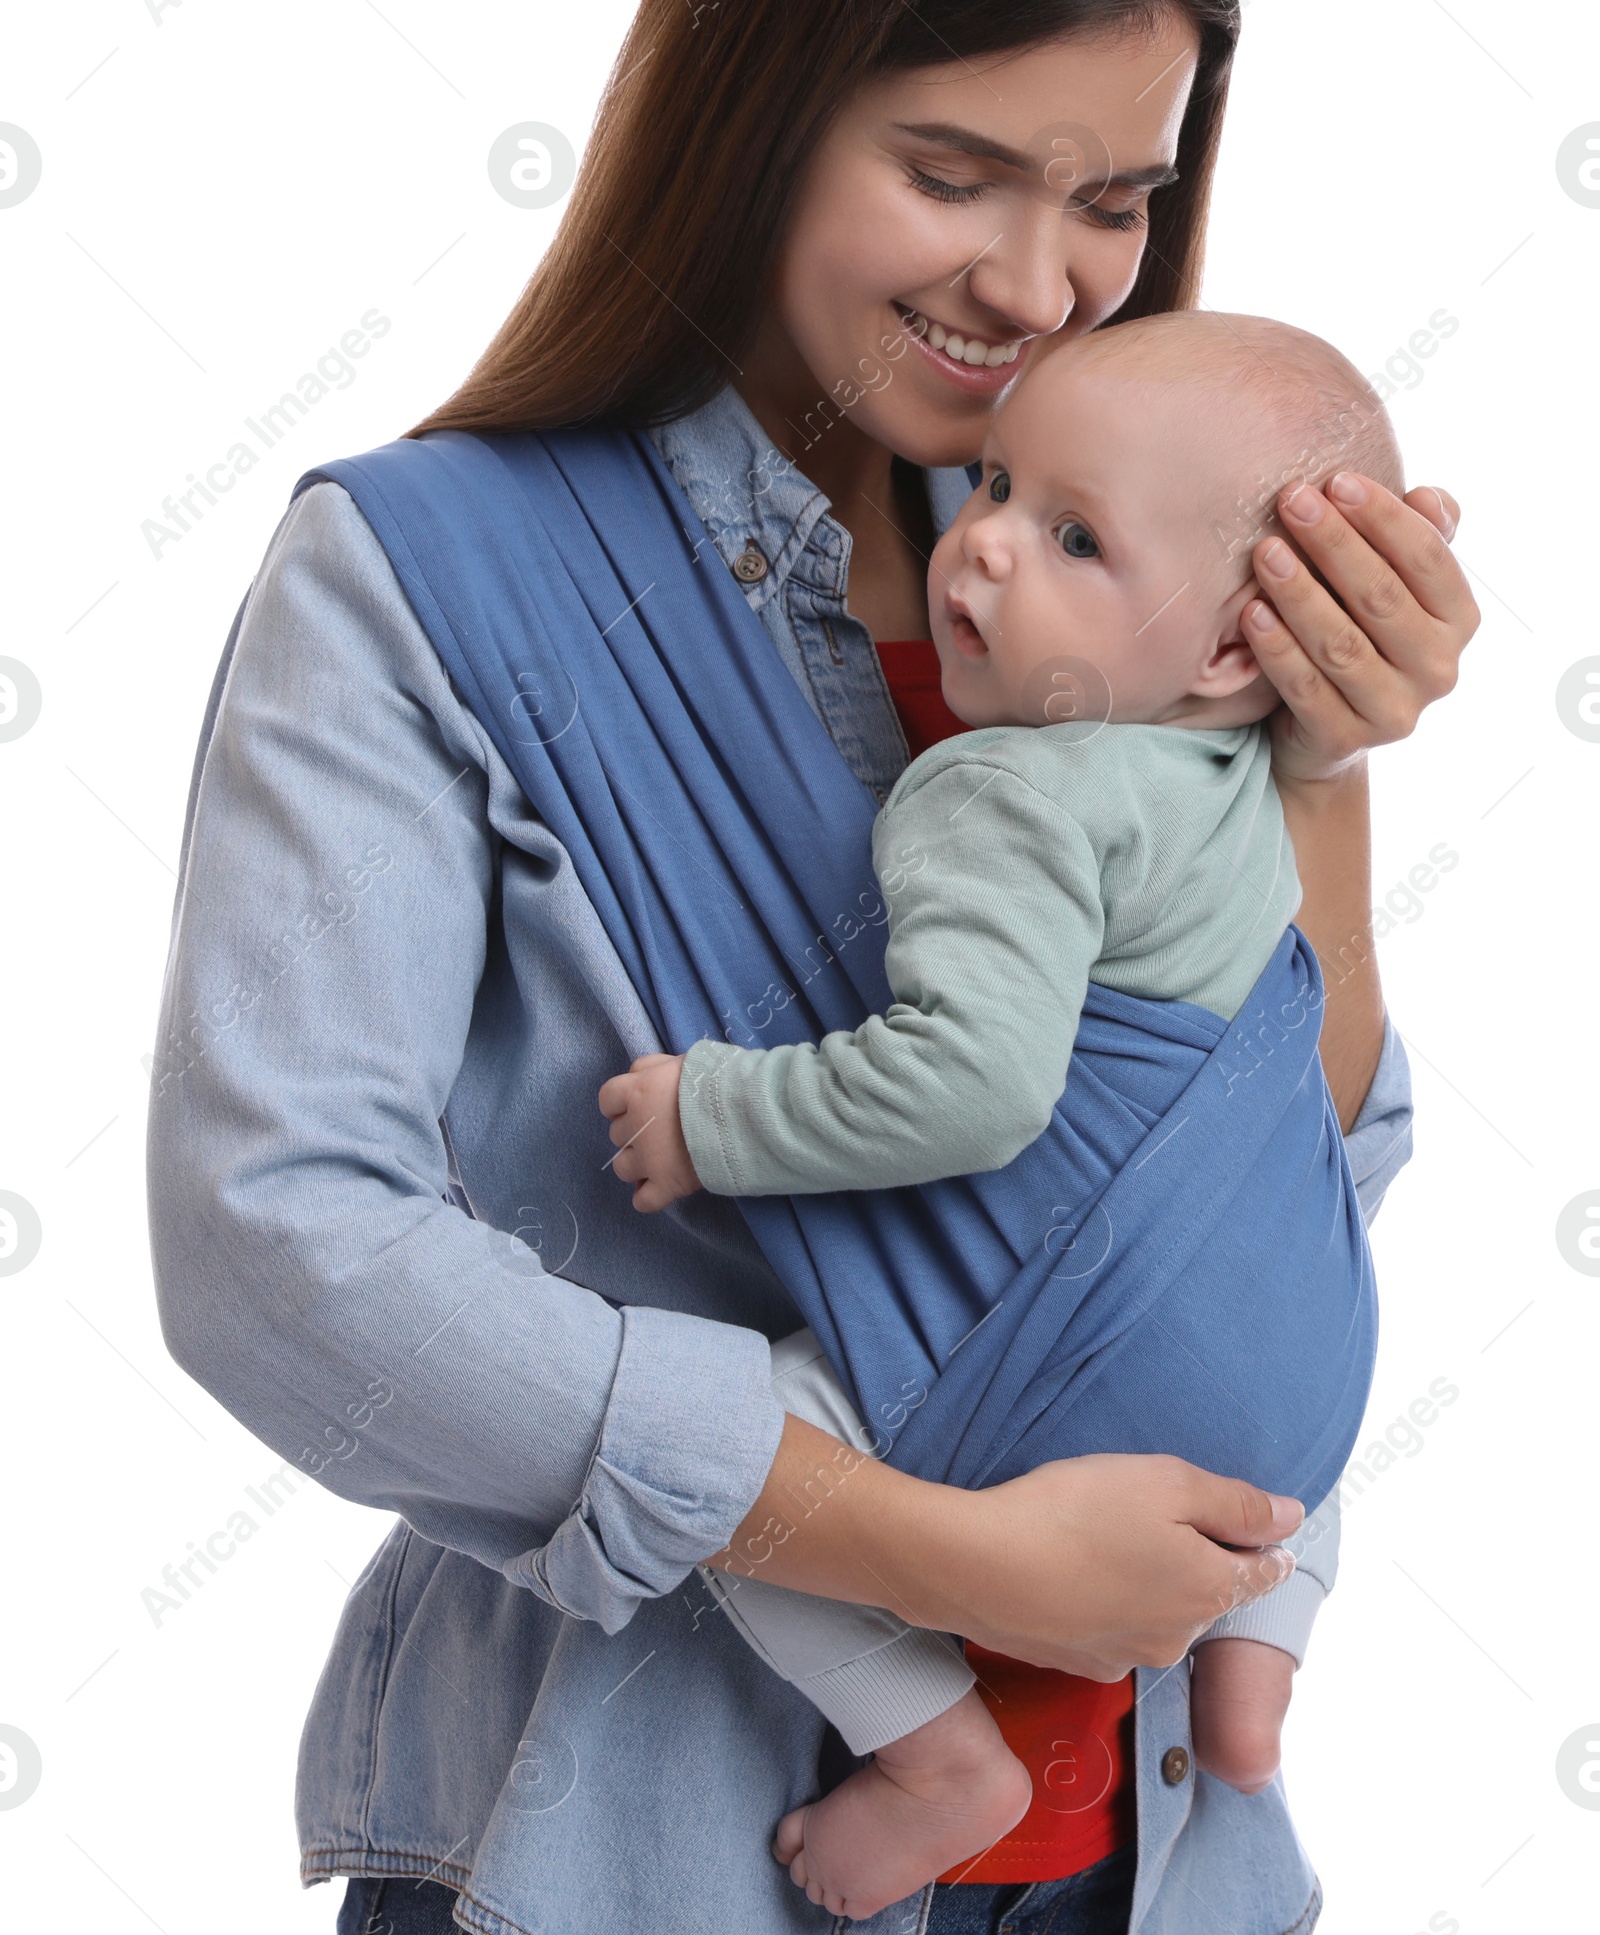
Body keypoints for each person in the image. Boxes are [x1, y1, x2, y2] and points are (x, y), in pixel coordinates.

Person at [146, 3, 1477, 1931]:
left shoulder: (1153, 554)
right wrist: (930, 1552)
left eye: (1114, 197)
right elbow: (280, 1248)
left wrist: (1322, 756)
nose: (1039, 284)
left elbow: (1288, 1186)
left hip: (1156, 1863)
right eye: (949, 175)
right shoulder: (418, 579)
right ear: (749, 121)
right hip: (640, 1854)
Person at [599, 308, 1404, 1920]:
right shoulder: (1257, 777)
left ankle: (931, 1753)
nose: (978, 558)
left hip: (1083, 1401)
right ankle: (1255, 1660)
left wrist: (719, 1119)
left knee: (735, 1450)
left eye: (1074, 539)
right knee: (1269, 1448)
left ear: (1236, 649)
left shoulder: (999, 790)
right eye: (991, 490)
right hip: (1305, 1399)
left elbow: (975, 1084)